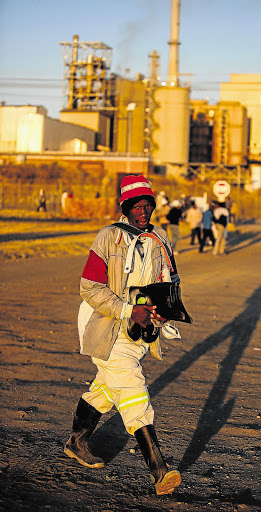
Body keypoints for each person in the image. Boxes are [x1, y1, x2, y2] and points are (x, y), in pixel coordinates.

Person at [64, 175, 182, 496]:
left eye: (148, 205)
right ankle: (159, 469)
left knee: (108, 386)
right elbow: (90, 287)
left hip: (140, 329)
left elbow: (170, 280)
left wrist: (165, 310)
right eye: (137, 206)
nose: (143, 211)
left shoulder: (160, 238)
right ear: (125, 207)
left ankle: (77, 441)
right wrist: (129, 310)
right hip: (105, 324)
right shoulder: (108, 237)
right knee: (130, 387)